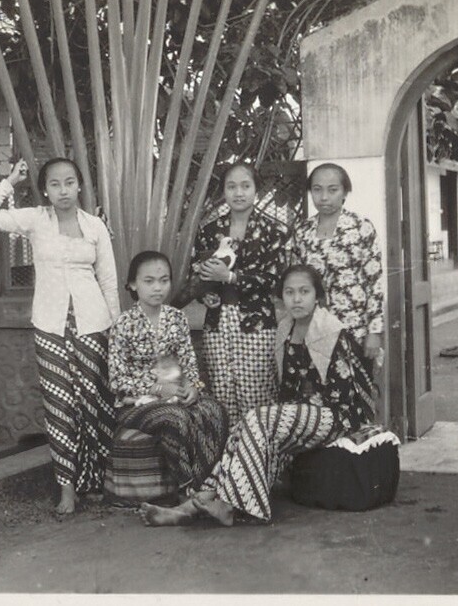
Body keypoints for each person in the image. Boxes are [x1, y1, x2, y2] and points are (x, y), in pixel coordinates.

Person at [139, 264, 376, 526]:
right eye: (289, 292)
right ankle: (193, 505)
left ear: (317, 296)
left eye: (304, 292)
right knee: (245, 425)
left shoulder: (331, 331)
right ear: (282, 297)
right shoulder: (286, 329)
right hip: (303, 416)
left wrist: (288, 416)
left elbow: (343, 397)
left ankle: (231, 506)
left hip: (336, 416)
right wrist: (285, 419)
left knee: (259, 418)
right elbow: (287, 390)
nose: (297, 299)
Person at [0, 157, 119, 514]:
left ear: (79, 185)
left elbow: (109, 281)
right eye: (55, 184)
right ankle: (67, 489)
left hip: (93, 326)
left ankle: (96, 482)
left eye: (69, 182)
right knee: (59, 407)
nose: (63, 190)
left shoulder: (94, 226)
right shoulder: (36, 220)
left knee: (95, 405)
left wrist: (115, 331)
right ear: (45, 190)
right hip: (51, 328)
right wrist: (10, 182)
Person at [107, 251, 228, 495]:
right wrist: (158, 388)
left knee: (214, 410)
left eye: (164, 280)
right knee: (176, 418)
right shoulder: (124, 323)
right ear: (133, 284)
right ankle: (187, 490)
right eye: (149, 281)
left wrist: (193, 387)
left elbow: (189, 363)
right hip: (135, 404)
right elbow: (117, 380)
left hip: (176, 395)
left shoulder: (177, 318)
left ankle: (207, 487)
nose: (157, 288)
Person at [191, 162, 286, 422]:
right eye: (231, 186)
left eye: (246, 186)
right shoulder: (210, 231)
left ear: (256, 190)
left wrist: (231, 277)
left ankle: (260, 448)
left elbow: (275, 279)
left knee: (258, 399)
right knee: (222, 395)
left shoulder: (273, 231)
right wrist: (205, 294)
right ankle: (228, 448)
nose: (239, 192)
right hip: (217, 324)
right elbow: (197, 271)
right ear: (224, 191)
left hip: (256, 324)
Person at [285, 162, 384, 363]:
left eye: (332, 190)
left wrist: (374, 331)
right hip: (312, 329)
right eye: (317, 190)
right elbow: (294, 281)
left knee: (353, 382)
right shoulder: (302, 231)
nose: (324, 197)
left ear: (345, 192)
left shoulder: (361, 227)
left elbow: (375, 283)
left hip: (353, 328)